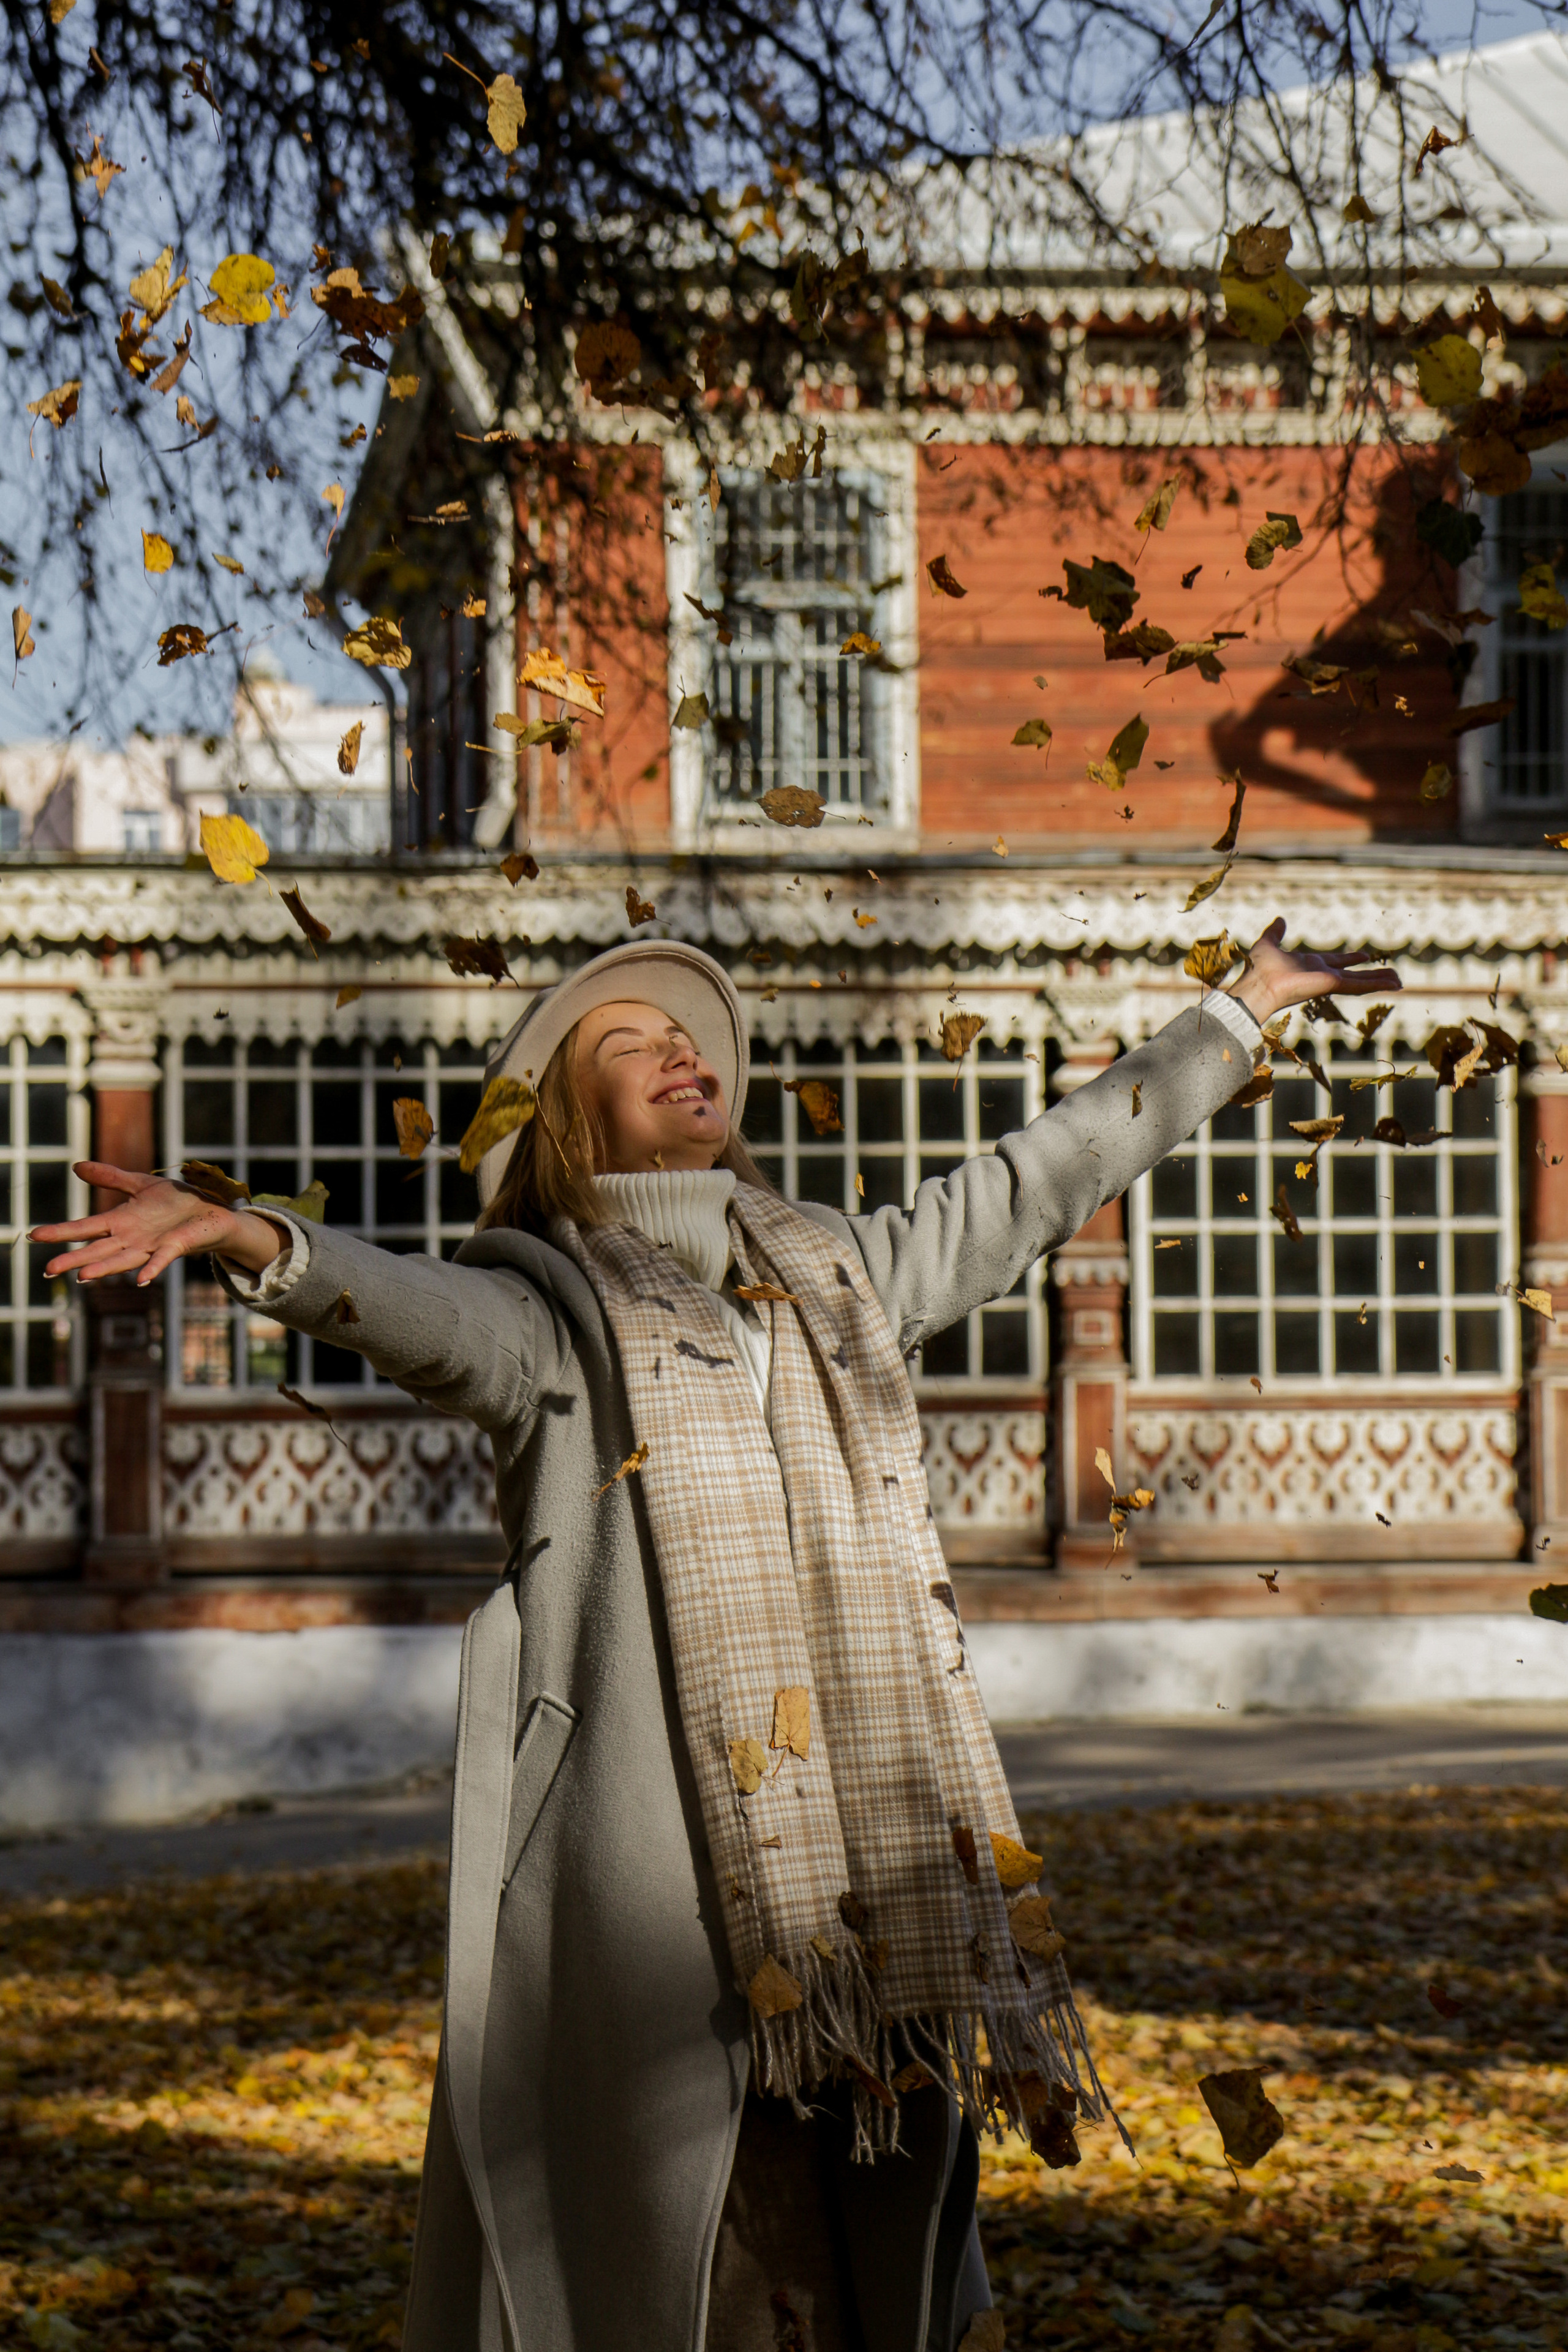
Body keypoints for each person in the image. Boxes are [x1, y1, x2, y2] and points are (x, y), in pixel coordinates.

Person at [36, 917, 1396, 2352]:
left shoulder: (840, 1273)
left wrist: (1235, 1017)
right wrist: (263, 1240)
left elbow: (1040, 1178)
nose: (676, 1049)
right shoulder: (544, 1317)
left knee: (865, 2234)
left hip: (868, 1864)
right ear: (572, 1121)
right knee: (692, 2261)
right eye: (626, 1046)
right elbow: (423, 1318)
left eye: (683, 1036)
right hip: (661, 1887)